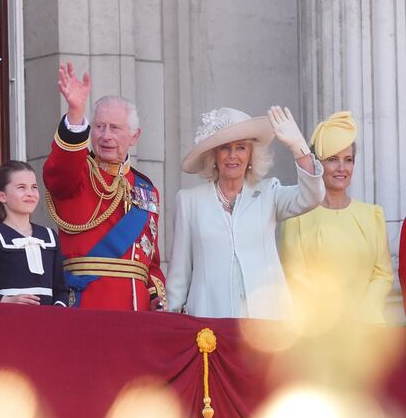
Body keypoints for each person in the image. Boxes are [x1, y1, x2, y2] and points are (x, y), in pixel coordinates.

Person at [165, 106, 324, 320]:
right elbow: (179, 275)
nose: (232, 156)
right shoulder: (189, 201)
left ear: (251, 155)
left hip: (266, 326)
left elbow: (311, 197)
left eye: (241, 148)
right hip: (209, 323)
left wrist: (300, 150)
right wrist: (171, 319)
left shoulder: (269, 193)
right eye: (224, 148)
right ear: (214, 155)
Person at [43, 62, 165, 311]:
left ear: (134, 136)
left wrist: (155, 296)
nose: (105, 136)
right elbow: (59, 171)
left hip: (137, 310)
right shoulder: (79, 174)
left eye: (115, 128)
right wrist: (76, 112)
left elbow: (150, 261)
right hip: (87, 303)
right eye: (99, 127)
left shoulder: (146, 189)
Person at [280, 112, 393, 324]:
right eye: (333, 159)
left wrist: (361, 316)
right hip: (319, 332)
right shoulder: (296, 219)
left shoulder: (372, 215)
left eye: (348, 160)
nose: (342, 168)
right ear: (318, 164)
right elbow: (296, 278)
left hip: (369, 331)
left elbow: (383, 275)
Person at [0, 161, 67, 306]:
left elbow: (61, 290)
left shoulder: (49, 235)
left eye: (34, 187)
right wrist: (3, 300)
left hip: (48, 323)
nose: (30, 193)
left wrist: (58, 309)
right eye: (21, 187)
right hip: (10, 321)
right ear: (2, 196)